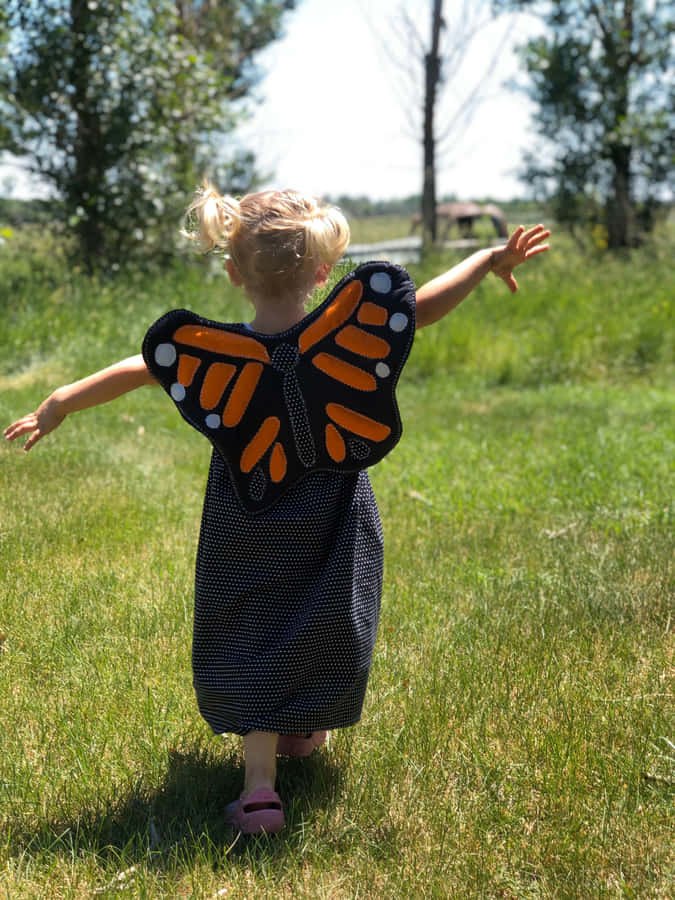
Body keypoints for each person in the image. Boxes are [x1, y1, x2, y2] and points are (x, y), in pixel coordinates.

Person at [4, 185, 549, 836]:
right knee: (324, 606)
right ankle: (305, 722)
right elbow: (422, 304)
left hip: (249, 501)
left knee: (252, 619)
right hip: (332, 496)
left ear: (234, 273)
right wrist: (488, 258)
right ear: (322, 271)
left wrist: (61, 399)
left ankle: (260, 789)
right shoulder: (349, 329)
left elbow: (144, 365)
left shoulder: (215, 351)